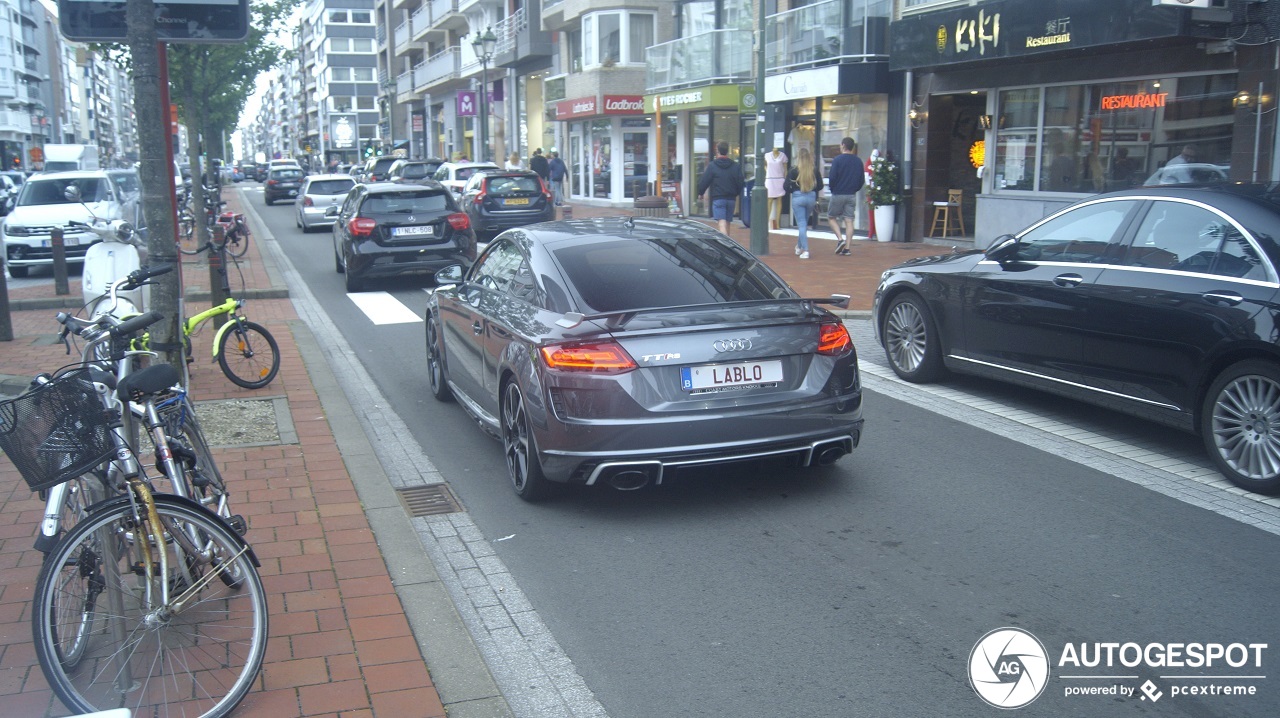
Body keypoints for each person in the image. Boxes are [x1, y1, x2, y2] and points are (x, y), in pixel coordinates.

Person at [696, 141, 745, 236]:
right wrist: (736, 193)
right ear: (727, 151)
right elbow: (741, 182)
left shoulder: (712, 166)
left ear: (717, 151)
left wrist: (700, 192)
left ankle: (725, 245)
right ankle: (729, 246)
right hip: (731, 199)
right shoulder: (735, 166)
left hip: (718, 198)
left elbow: (705, 181)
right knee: (727, 222)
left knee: (721, 223)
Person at [826, 137, 864, 255]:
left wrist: (832, 189)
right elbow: (861, 180)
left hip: (838, 193)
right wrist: (855, 189)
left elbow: (832, 177)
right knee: (849, 221)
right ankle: (847, 248)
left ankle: (840, 239)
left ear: (843, 145)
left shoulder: (837, 160)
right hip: (851, 194)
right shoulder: (858, 161)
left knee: (831, 217)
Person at [784, 147, 823, 260]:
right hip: (810, 197)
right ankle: (798, 246)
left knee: (801, 224)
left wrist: (794, 190)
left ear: (798, 158)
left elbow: (785, 187)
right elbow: (820, 186)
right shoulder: (814, 170)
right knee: (804, 224)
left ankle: (805, 250)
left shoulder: (793, 170)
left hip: (798, 197)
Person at [764, 146, 788, 231]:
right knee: (769, 200)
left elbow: (785, 169)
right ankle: (766, 222)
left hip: (780, 179)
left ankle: (777, 223)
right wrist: (767, 172)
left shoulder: (783, 156)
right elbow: (765, 165)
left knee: (779, 200)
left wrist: (785, 179)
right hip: (770, 179)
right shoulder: (767, 155)